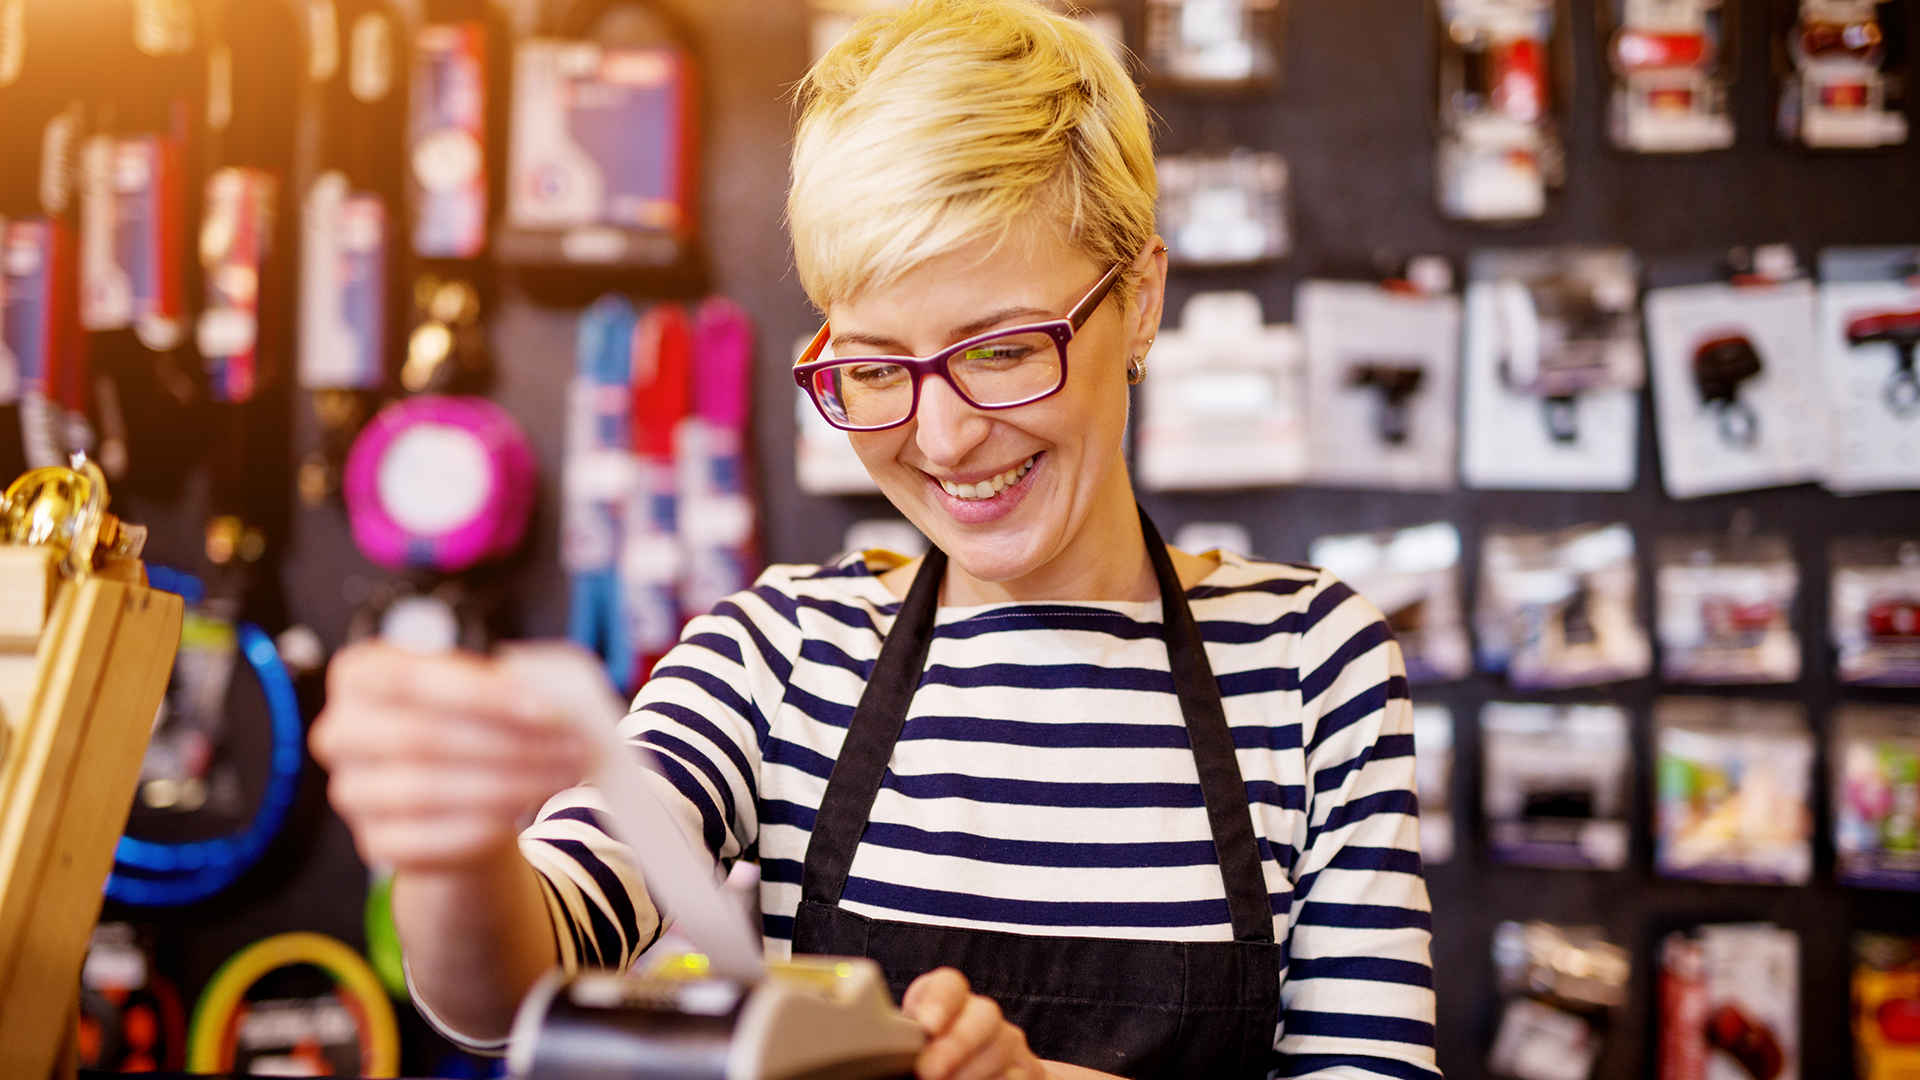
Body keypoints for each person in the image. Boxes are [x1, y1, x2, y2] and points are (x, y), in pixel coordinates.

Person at [310, 2, 1439, 1077]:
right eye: (876, 366)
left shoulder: (1308, 666)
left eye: (1002, 349)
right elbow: (510, 988)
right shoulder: (779, 653)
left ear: (1138, 299)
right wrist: (450, 854)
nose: (942, 438)